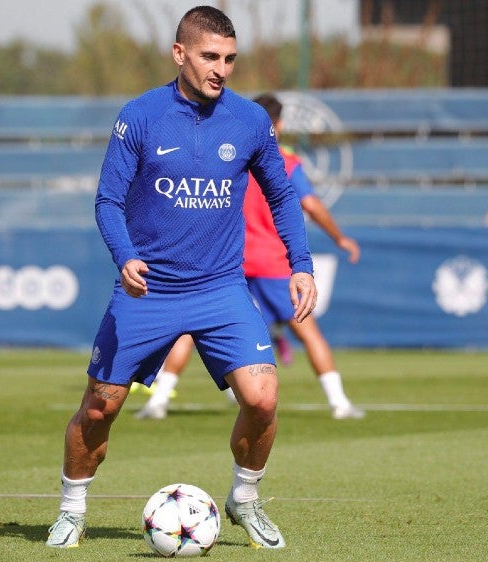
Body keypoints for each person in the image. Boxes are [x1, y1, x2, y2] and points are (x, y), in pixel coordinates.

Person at [46, 6, 316, 551]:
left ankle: (245, 497)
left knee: (262, 398)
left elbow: (282, 194)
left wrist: (301, 264)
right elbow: (107, 200)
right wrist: (124, 256)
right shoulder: (139, 116)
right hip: (148, 289)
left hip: (220, 288)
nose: (222, 69)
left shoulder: (249, 121)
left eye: (230, 59)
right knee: (100, 406)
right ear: (179, 54)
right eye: (210, 57)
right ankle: (72, 510)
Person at [136, 92, 365, 421]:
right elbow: (311, 205)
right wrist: (340, 238)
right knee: (306, 330)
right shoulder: (284, 163)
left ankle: (158, 401)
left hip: (229, 263)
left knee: (189, 328)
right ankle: (339, 403)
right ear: (281, 125)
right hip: (272, 264)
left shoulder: (229, 155)